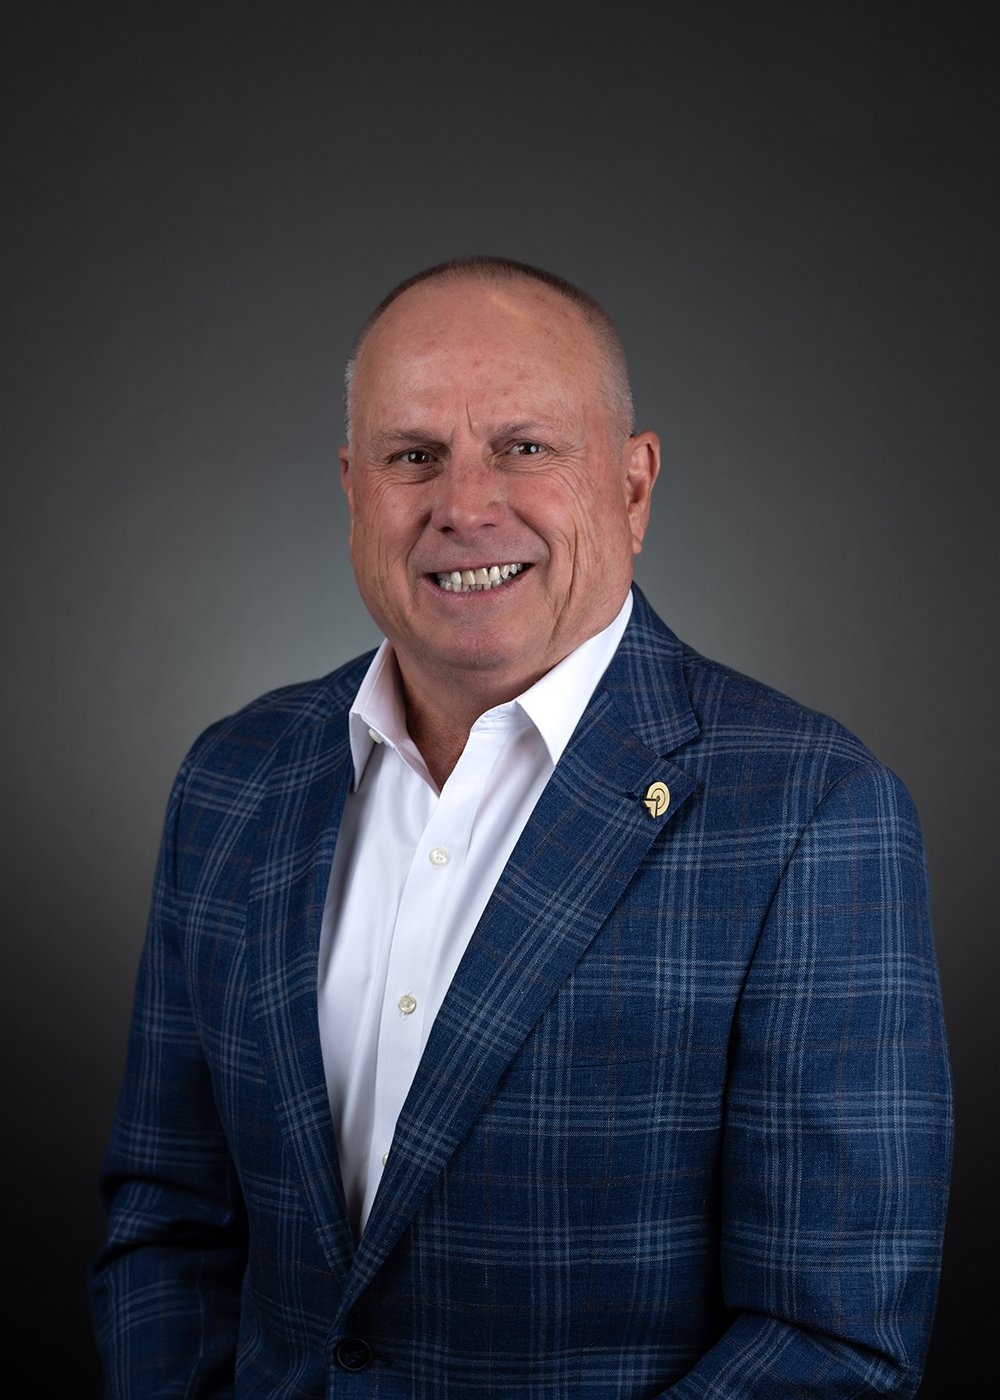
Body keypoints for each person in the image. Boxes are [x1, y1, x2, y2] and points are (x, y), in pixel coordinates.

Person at [91, 257, 952, 1398]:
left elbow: (833, 1338)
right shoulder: (233, 779)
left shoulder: (810, 811)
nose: (465, 506)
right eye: (413, 456)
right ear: (353, 488)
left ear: (634, 486)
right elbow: (167, 1219)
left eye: (524, 446)